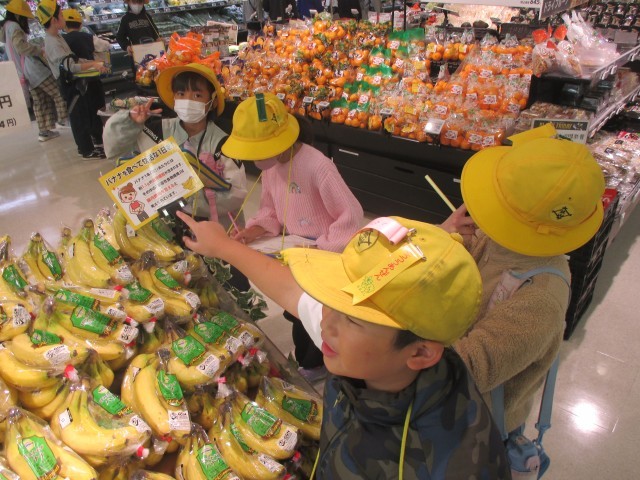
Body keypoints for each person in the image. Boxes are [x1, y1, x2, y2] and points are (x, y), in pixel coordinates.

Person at [177, 211, 510, 478]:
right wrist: (222, 246)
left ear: (421, 353)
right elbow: (293, 291)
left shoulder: (451, 464)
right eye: (333, 300)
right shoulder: (370, 356)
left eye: (353, 319)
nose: (327, 323)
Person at [440, 124, 605, 436]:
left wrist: (392, 350)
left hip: (475, 423)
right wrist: (442, 236)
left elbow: (468, 369)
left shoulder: (540, 297)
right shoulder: (497, 238)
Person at [221, 93, 363, 380]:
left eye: (259, 150)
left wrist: (322, 249)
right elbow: (270, 209)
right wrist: (254, 230)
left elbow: (350, 214)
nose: (256, 159)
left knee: (316, 312)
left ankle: (315, 364)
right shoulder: (272, 166)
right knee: (295, 309)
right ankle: (312, 360)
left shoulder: (317, 166)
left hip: (325, 251)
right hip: (296, 249)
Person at [104, 63, 247, 231]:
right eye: (181, 94)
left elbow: (236, 193)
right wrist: (129, 122)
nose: (188, 101)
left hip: (213, 231)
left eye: (197, 95)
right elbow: (116, 151)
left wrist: (185, 197)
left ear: (213, 101)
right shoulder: (156, 131)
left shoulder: (224, 142)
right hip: (163, 230)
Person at [37, 0, 108, 159]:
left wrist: (94, 63)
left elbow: (74, 60)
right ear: (54, 20)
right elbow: (70, 66)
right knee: (78, 117)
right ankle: (86, 150)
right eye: (61, 15)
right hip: (68, 84)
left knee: (83, 114)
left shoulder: (58, 37)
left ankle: (88, 147)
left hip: (75, 82)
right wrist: (93, 64)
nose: (63, 18)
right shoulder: (53, 42)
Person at [0, 0, 68, 142]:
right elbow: (21, 47)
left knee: (40, 101)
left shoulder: (6, 27)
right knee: (58, 92)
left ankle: (44, 131)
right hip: (33, 69)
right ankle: (63, 120)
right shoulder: (15, 27)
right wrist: (39, 50)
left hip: (23, 71)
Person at [61, 8, 110, 149]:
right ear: (80, 24)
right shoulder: (88, 37)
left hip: (75, 83)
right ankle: (99, 138)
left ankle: (87, 141)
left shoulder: (62, 41)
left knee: (81, 113)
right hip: (93, 79)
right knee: (97, 109)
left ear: (64, 25)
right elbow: (106, 45)